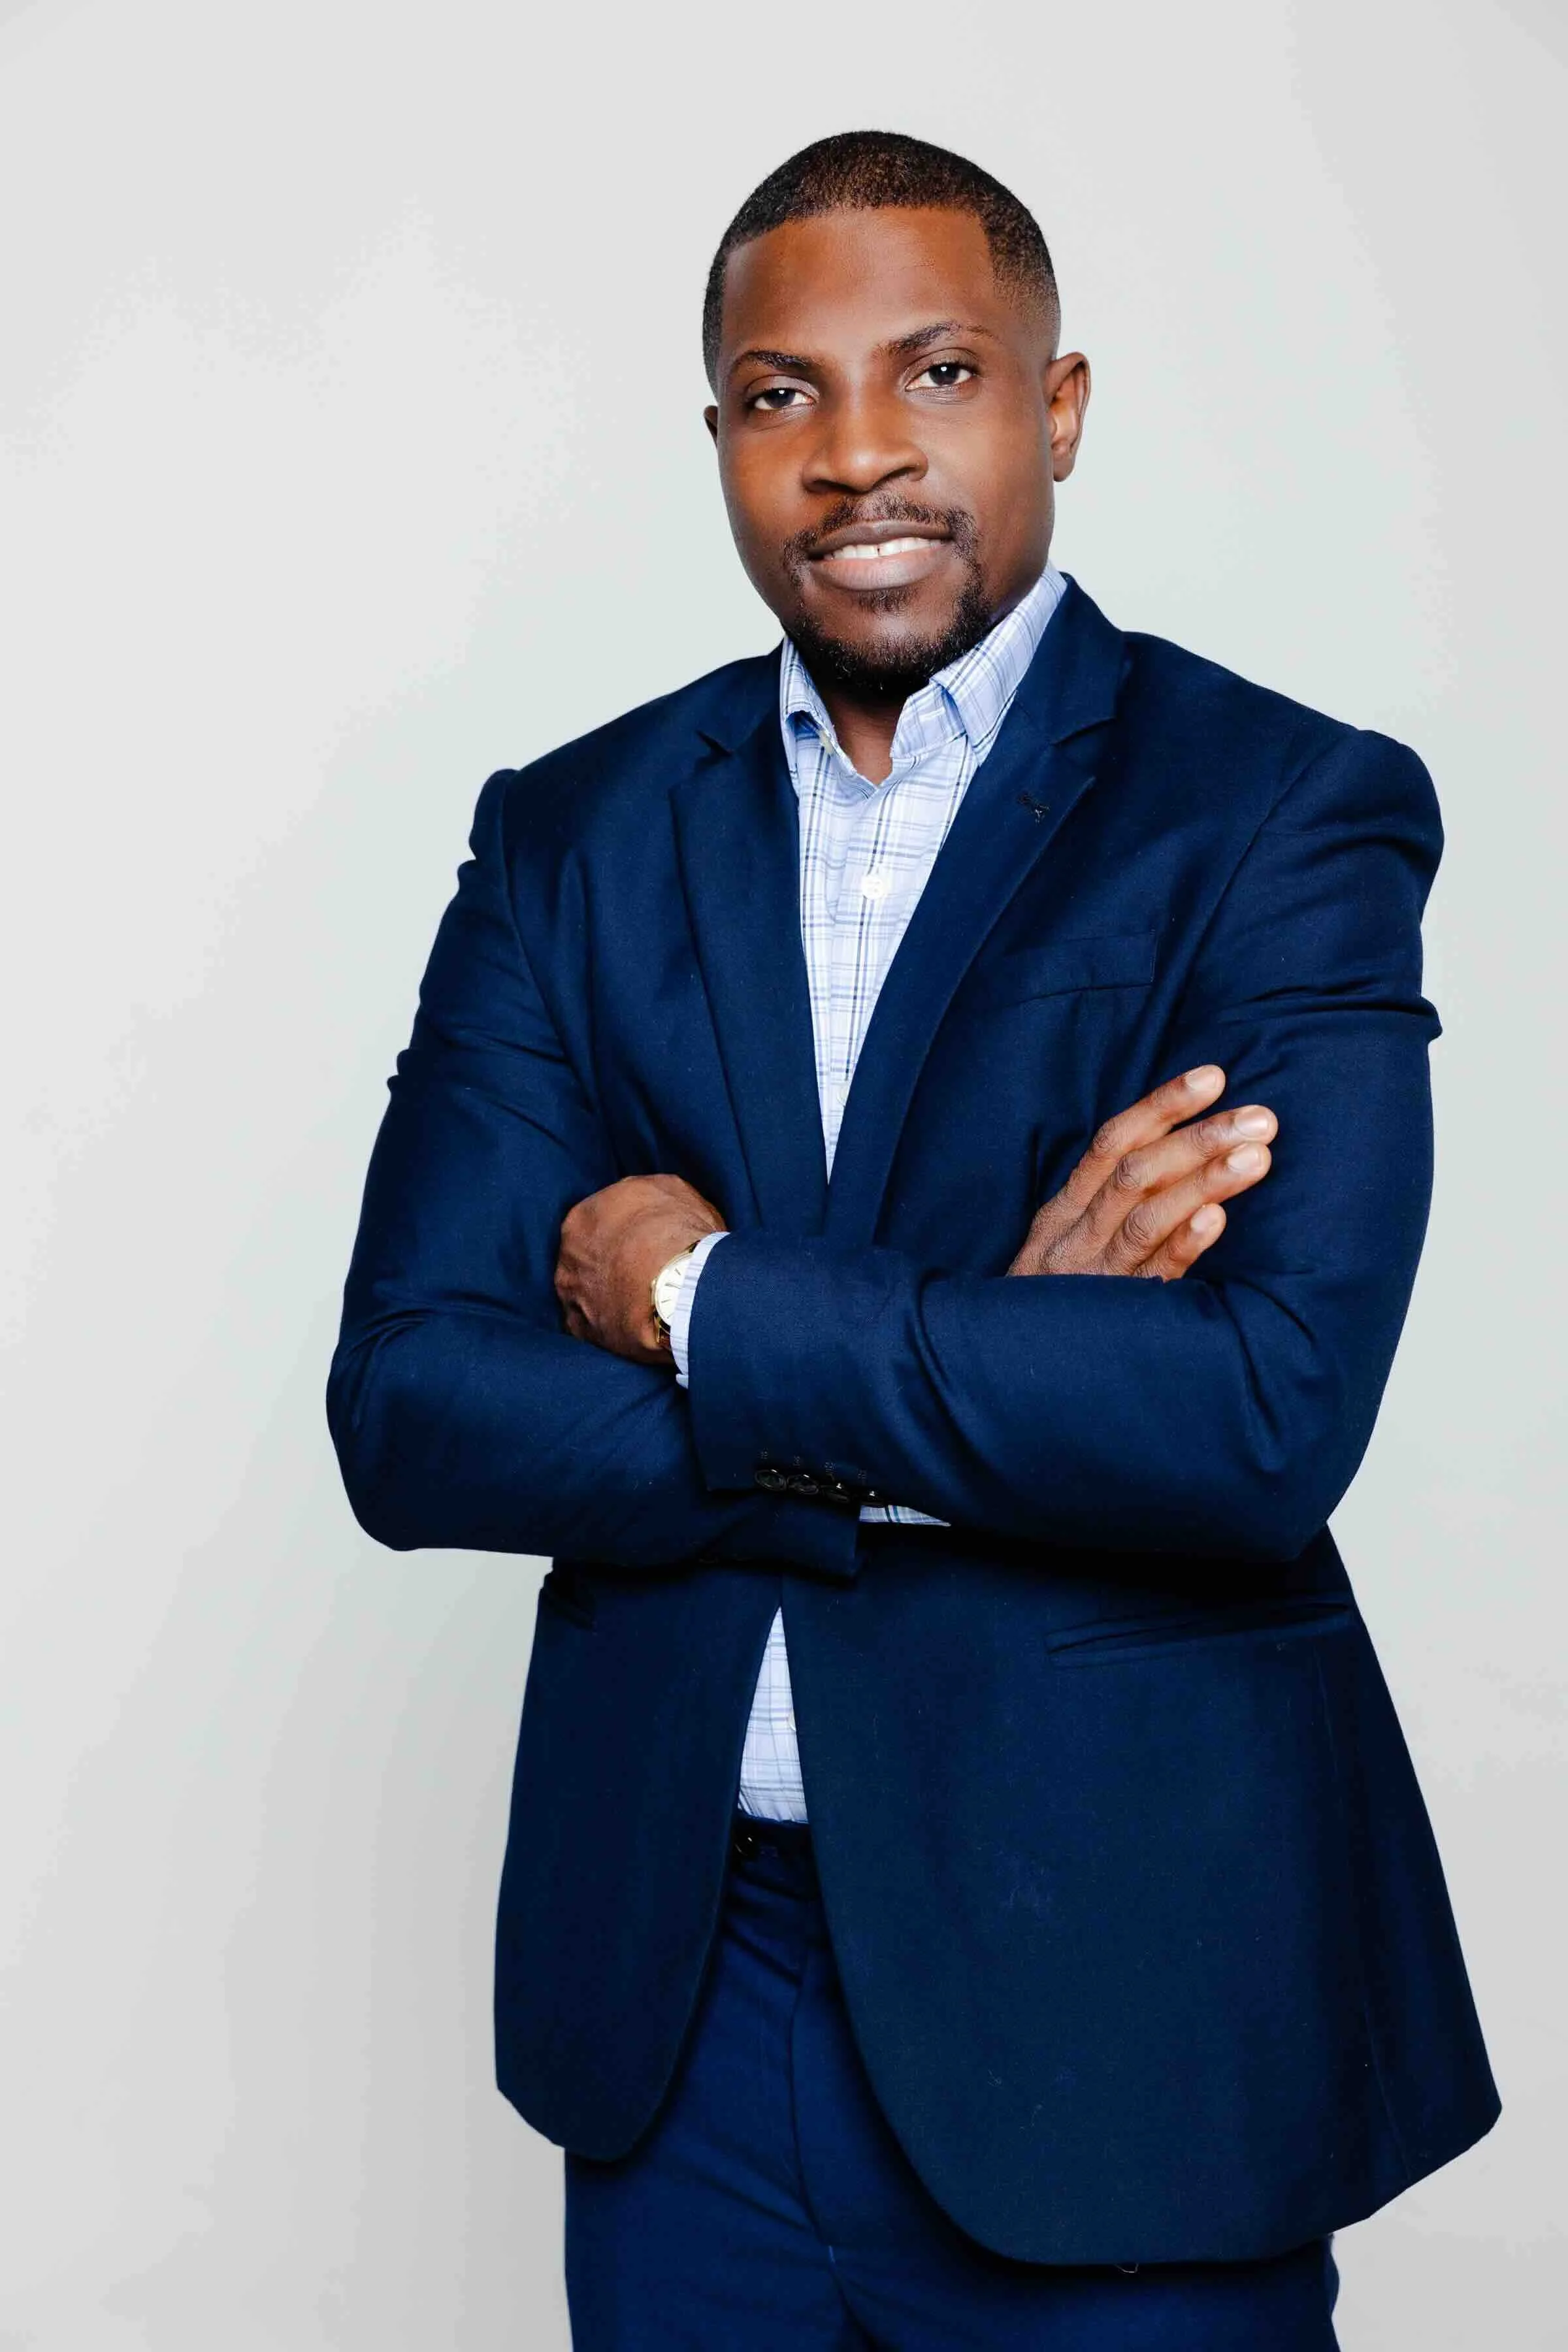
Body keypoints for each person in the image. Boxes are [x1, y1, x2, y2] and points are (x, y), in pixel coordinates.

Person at [327, 131, 1499, 2350]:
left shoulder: (1278, 813)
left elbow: (1258, 1414)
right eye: (784, 395)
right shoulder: (570, 837)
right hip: (687, 2010)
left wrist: (698, 1305)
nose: (860, 454)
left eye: (936, 370)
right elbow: (409, 1406)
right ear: (720, 442)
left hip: (1124, 1996)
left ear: (1055, 406)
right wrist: (992, 1368)